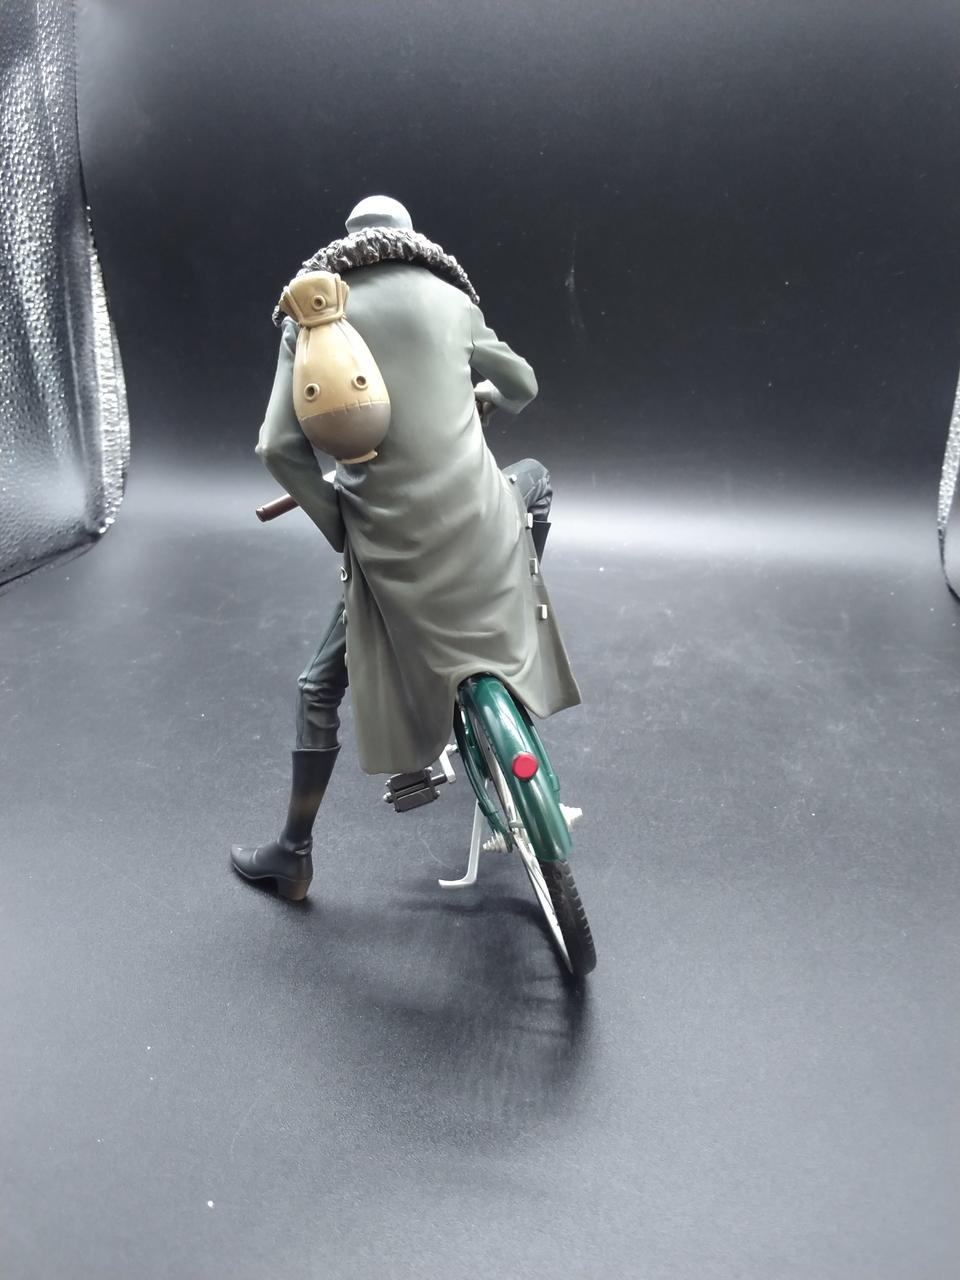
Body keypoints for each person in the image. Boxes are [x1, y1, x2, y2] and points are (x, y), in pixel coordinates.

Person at [231, 197, 581, 901]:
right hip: (483, 526)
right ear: (409, 239)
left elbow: (277, 447)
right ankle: (514, 598)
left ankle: (293, 854)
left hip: (388, 550)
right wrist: (481, 393)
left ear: (350, 243)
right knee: (536, 482)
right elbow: (523, 384)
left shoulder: (313, 314)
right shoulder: (450, 298)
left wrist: (341, 525)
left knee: (318, 687)